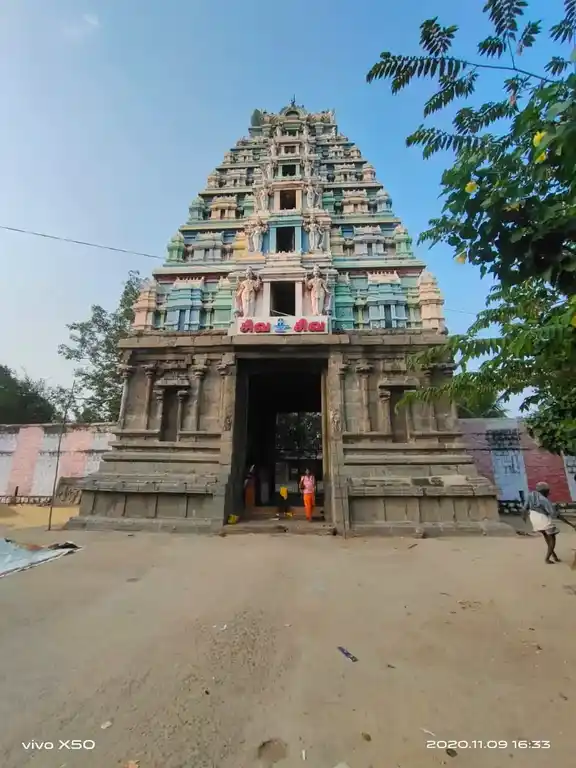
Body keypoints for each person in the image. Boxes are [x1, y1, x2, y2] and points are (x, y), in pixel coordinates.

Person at [524, 481, 560, 564]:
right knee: (552, 538)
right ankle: (547, 559)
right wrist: (570, 524)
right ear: (544, 491)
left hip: (533, 517)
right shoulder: (544, 500)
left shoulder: (530, 495)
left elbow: (525, 507)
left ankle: (554, 556)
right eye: (548, 491)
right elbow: (554, 514)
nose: (548, 493)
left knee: (546, 536)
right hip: (542, 518)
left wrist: (524, 517)